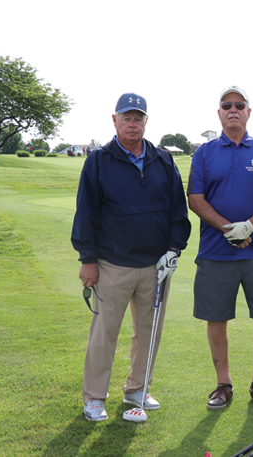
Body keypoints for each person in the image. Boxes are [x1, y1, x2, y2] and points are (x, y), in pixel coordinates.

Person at [71, 93, 191, 421]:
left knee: (148, 331)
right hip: (112, 264)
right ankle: (95, 396)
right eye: (127, 117)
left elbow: (176, 211)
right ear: (115, 120)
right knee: (105, 332)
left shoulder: (163, 159)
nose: (133, 124)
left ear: (146, 122)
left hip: (155, 265)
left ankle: (137, 388)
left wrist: (173, 249)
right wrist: (88, 259)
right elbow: (87, 213)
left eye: (138, 118)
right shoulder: (99, 160)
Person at [187, 85, 253, 411]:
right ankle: (223, 384)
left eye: (239, 105)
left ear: (248, 112)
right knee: (217, 318)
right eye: (226, 105)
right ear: (218, 113)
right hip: (216, 252)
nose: (233, 110)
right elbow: (195, 199)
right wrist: (229, 228)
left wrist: (249, 226)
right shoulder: (204, 153)